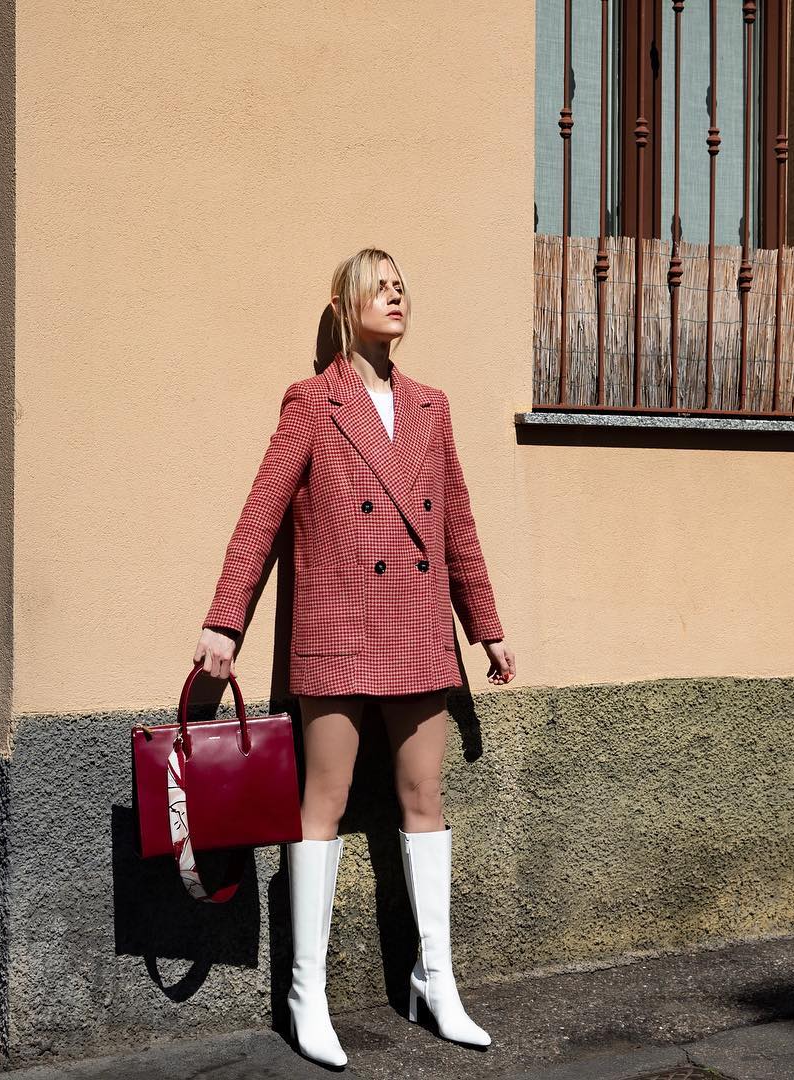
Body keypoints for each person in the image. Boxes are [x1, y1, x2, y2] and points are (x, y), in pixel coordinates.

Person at [193, 247, 516, 1069]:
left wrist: (486, 625)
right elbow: (261, 515)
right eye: (380, 284)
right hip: (338, 629)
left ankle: (434, 979)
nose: (396, 293)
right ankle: (306, 993)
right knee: (324, 799)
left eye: (401, 283)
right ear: (345, 305)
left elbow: (458, 528)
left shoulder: (432, 408)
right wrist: (226, 622)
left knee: (424, 795)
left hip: (415, 626)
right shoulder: (313, 402)